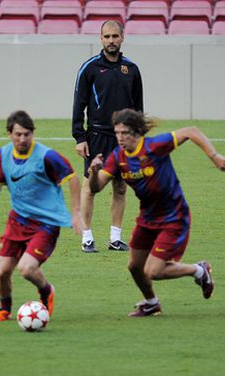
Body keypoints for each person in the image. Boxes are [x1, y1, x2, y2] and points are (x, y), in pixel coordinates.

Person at [88, 108, 225, 316]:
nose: (120, 138)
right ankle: (151, 303)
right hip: (147, 218)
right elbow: (96, 188)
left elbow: (191, 131)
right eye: (117, 133)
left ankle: (199, 270)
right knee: (134, 266)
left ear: (137, 132)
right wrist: (94, 172)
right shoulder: (117, 157)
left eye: (125, 133)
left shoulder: (154, 146)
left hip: (173, 216)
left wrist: (214, 156)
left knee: (154, 271)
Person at [0, 110, 82, 323]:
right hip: (17, 221)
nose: (22, 139)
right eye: (18, 134)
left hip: (45, 224)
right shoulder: (3, 155)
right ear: (9, 133)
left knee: (27, 269)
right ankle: (4, 309)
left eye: (27, 134)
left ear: (32, 133)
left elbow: (72, 178)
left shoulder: (47, 156)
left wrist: (76, 213)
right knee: (2, 272)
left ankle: (46, 291)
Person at [72, 20, 144, 253]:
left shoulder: (131, 69)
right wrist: (79, 137)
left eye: (115, 36)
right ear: (100, 39)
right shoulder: (89, 68)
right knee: (90, 187)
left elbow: (138, 109)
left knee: (121, 187)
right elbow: (78, 104)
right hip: (96, 136)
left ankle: (115, 238)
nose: (111, 41)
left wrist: (138, 137)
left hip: (123, 139)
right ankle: (87, 237)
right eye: (107, 37)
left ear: (123, 37)